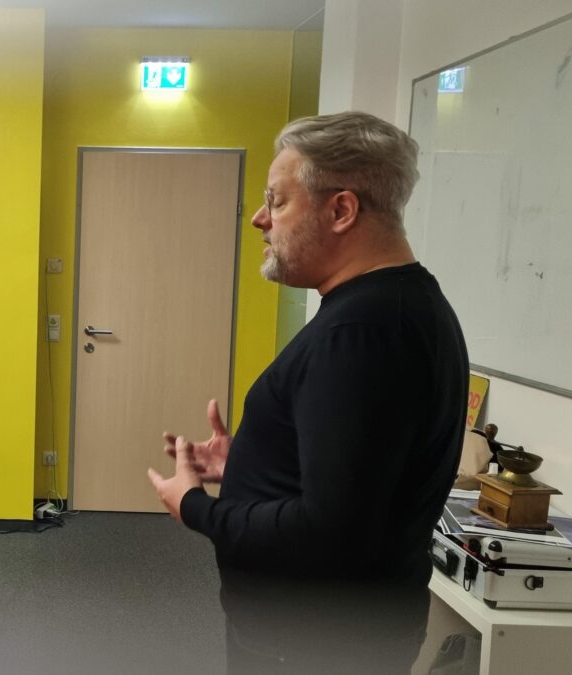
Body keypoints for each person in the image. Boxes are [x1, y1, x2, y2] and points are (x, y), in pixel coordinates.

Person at [147, 111, 468, 674]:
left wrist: (196, 508)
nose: (259, 219)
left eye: (276, 201)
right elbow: (357, 478)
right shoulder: (399, 306)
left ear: (341, 210)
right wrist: (251, 463)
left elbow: (330, 531)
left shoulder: (362, 332)